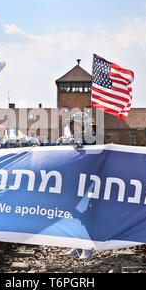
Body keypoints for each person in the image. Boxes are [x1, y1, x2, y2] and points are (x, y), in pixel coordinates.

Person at [60, 112, 96, 261]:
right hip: (75, 182)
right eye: (73, 124)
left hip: (89, 182)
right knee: (74, 215)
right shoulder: (73, 138)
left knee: (86, 215)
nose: (75, 126)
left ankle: (88, 248)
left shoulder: (93, 138)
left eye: (78, 123)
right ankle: (76, 244)